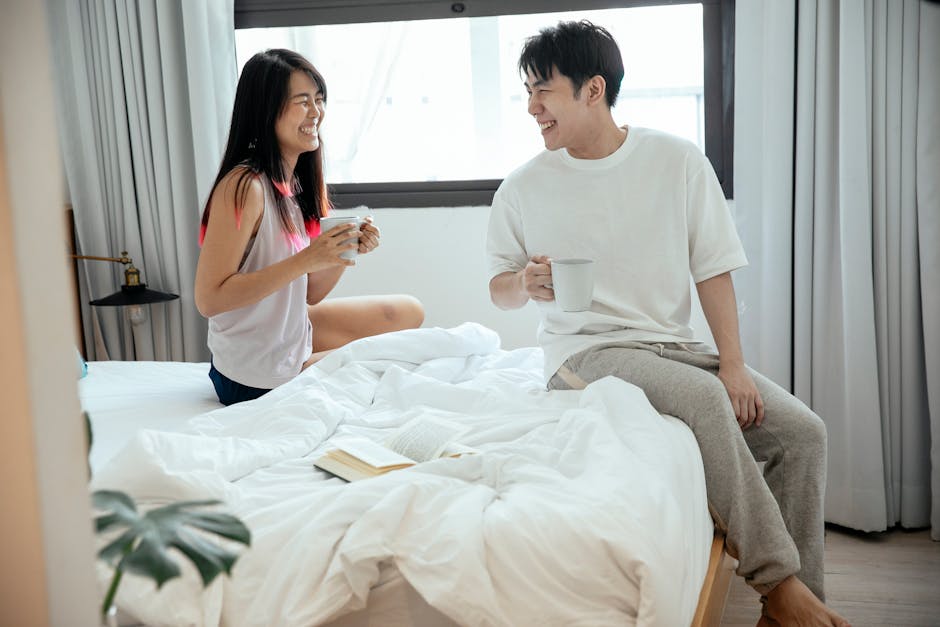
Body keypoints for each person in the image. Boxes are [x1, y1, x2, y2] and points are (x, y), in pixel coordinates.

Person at [486, 21, 850, 627]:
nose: (531, 108)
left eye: (542, 91)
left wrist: (733, 363)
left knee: (803, 433)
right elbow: (498, 289)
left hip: (670, 346)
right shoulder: (524, 187)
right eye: (527, 92)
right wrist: (522, 283)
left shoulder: (675, 160)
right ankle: (779, 584)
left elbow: (713, 269)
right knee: (706, 402)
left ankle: (788, 610)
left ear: (593, 89)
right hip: (582, 356)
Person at [195, 48, 423, 405]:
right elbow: (209, 299)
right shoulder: (244, 187)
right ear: (266, 110)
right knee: (399, 356)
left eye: (319, 99)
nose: (316, 112)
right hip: (251, 375)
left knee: (407, 312)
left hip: (286, 333)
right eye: (303, 101)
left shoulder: (292, 185)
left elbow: (309, 294)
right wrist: (306, 259)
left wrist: (341, 250)